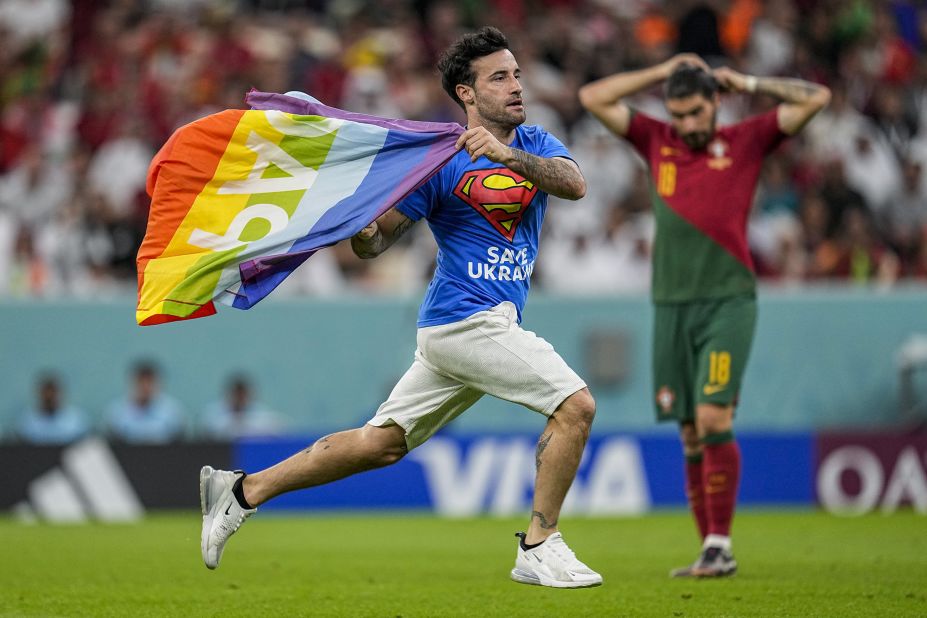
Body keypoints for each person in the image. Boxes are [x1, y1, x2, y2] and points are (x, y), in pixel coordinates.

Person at [200, 26, 601, 589]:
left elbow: (575, 184)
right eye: (499, 77)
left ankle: (241, 491)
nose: (516, 86)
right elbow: (377, 241)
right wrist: (359, 226)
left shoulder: (534, 144)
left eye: (516, 74)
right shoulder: (438, 161)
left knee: (380, 444)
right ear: (466, 94)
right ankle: (538, 544)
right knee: (576, 406)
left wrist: (506, 154)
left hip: (470, 328)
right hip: (466, 320)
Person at [579, 54, 830, 577]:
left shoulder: (747, 140)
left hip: (727, 301)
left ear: (716, 102)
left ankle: (721, 543)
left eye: (695, 112)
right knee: (691, 432)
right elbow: (592, 98)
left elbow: (817, 98)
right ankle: (710, 551)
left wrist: (750, 82)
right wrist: (660, 71)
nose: (688, 124)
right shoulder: (656, 139)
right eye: (678, 114)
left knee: (715, 416)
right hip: (669, 305)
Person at [105, 359, 185, 443]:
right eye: (141, 382)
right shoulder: (116, 412)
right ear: (133, 383)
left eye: (149, 382)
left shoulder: (172, 412)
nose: (145, 387)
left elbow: (179, 442)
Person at [199, 374, 286, 440]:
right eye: (237, 394)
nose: (239, 398)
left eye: (242, 394)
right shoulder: (213, 413)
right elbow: (208, 431)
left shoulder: (260, 414)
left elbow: (279, 427)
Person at [15, 372, 90, 445]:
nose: (50, 397)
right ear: (40, 394)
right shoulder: (27, 421)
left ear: (60, 393)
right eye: (46, 394)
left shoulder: (76, 420)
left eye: (53, 393)